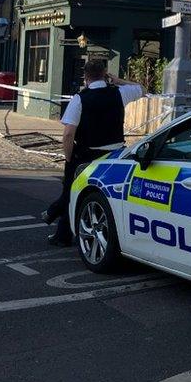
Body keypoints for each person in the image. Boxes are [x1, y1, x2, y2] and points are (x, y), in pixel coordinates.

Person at [42, 59, 145, 246]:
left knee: (71, 191)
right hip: (114, 155)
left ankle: (61, 230)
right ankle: (60, 221)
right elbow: (141, 89)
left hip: (86, 154)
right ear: (105, 74)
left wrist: (68, 157)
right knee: (107, 195)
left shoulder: (80, 99)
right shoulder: (119, 93)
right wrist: (118, 80)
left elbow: (68, 134)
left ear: (85, 76)